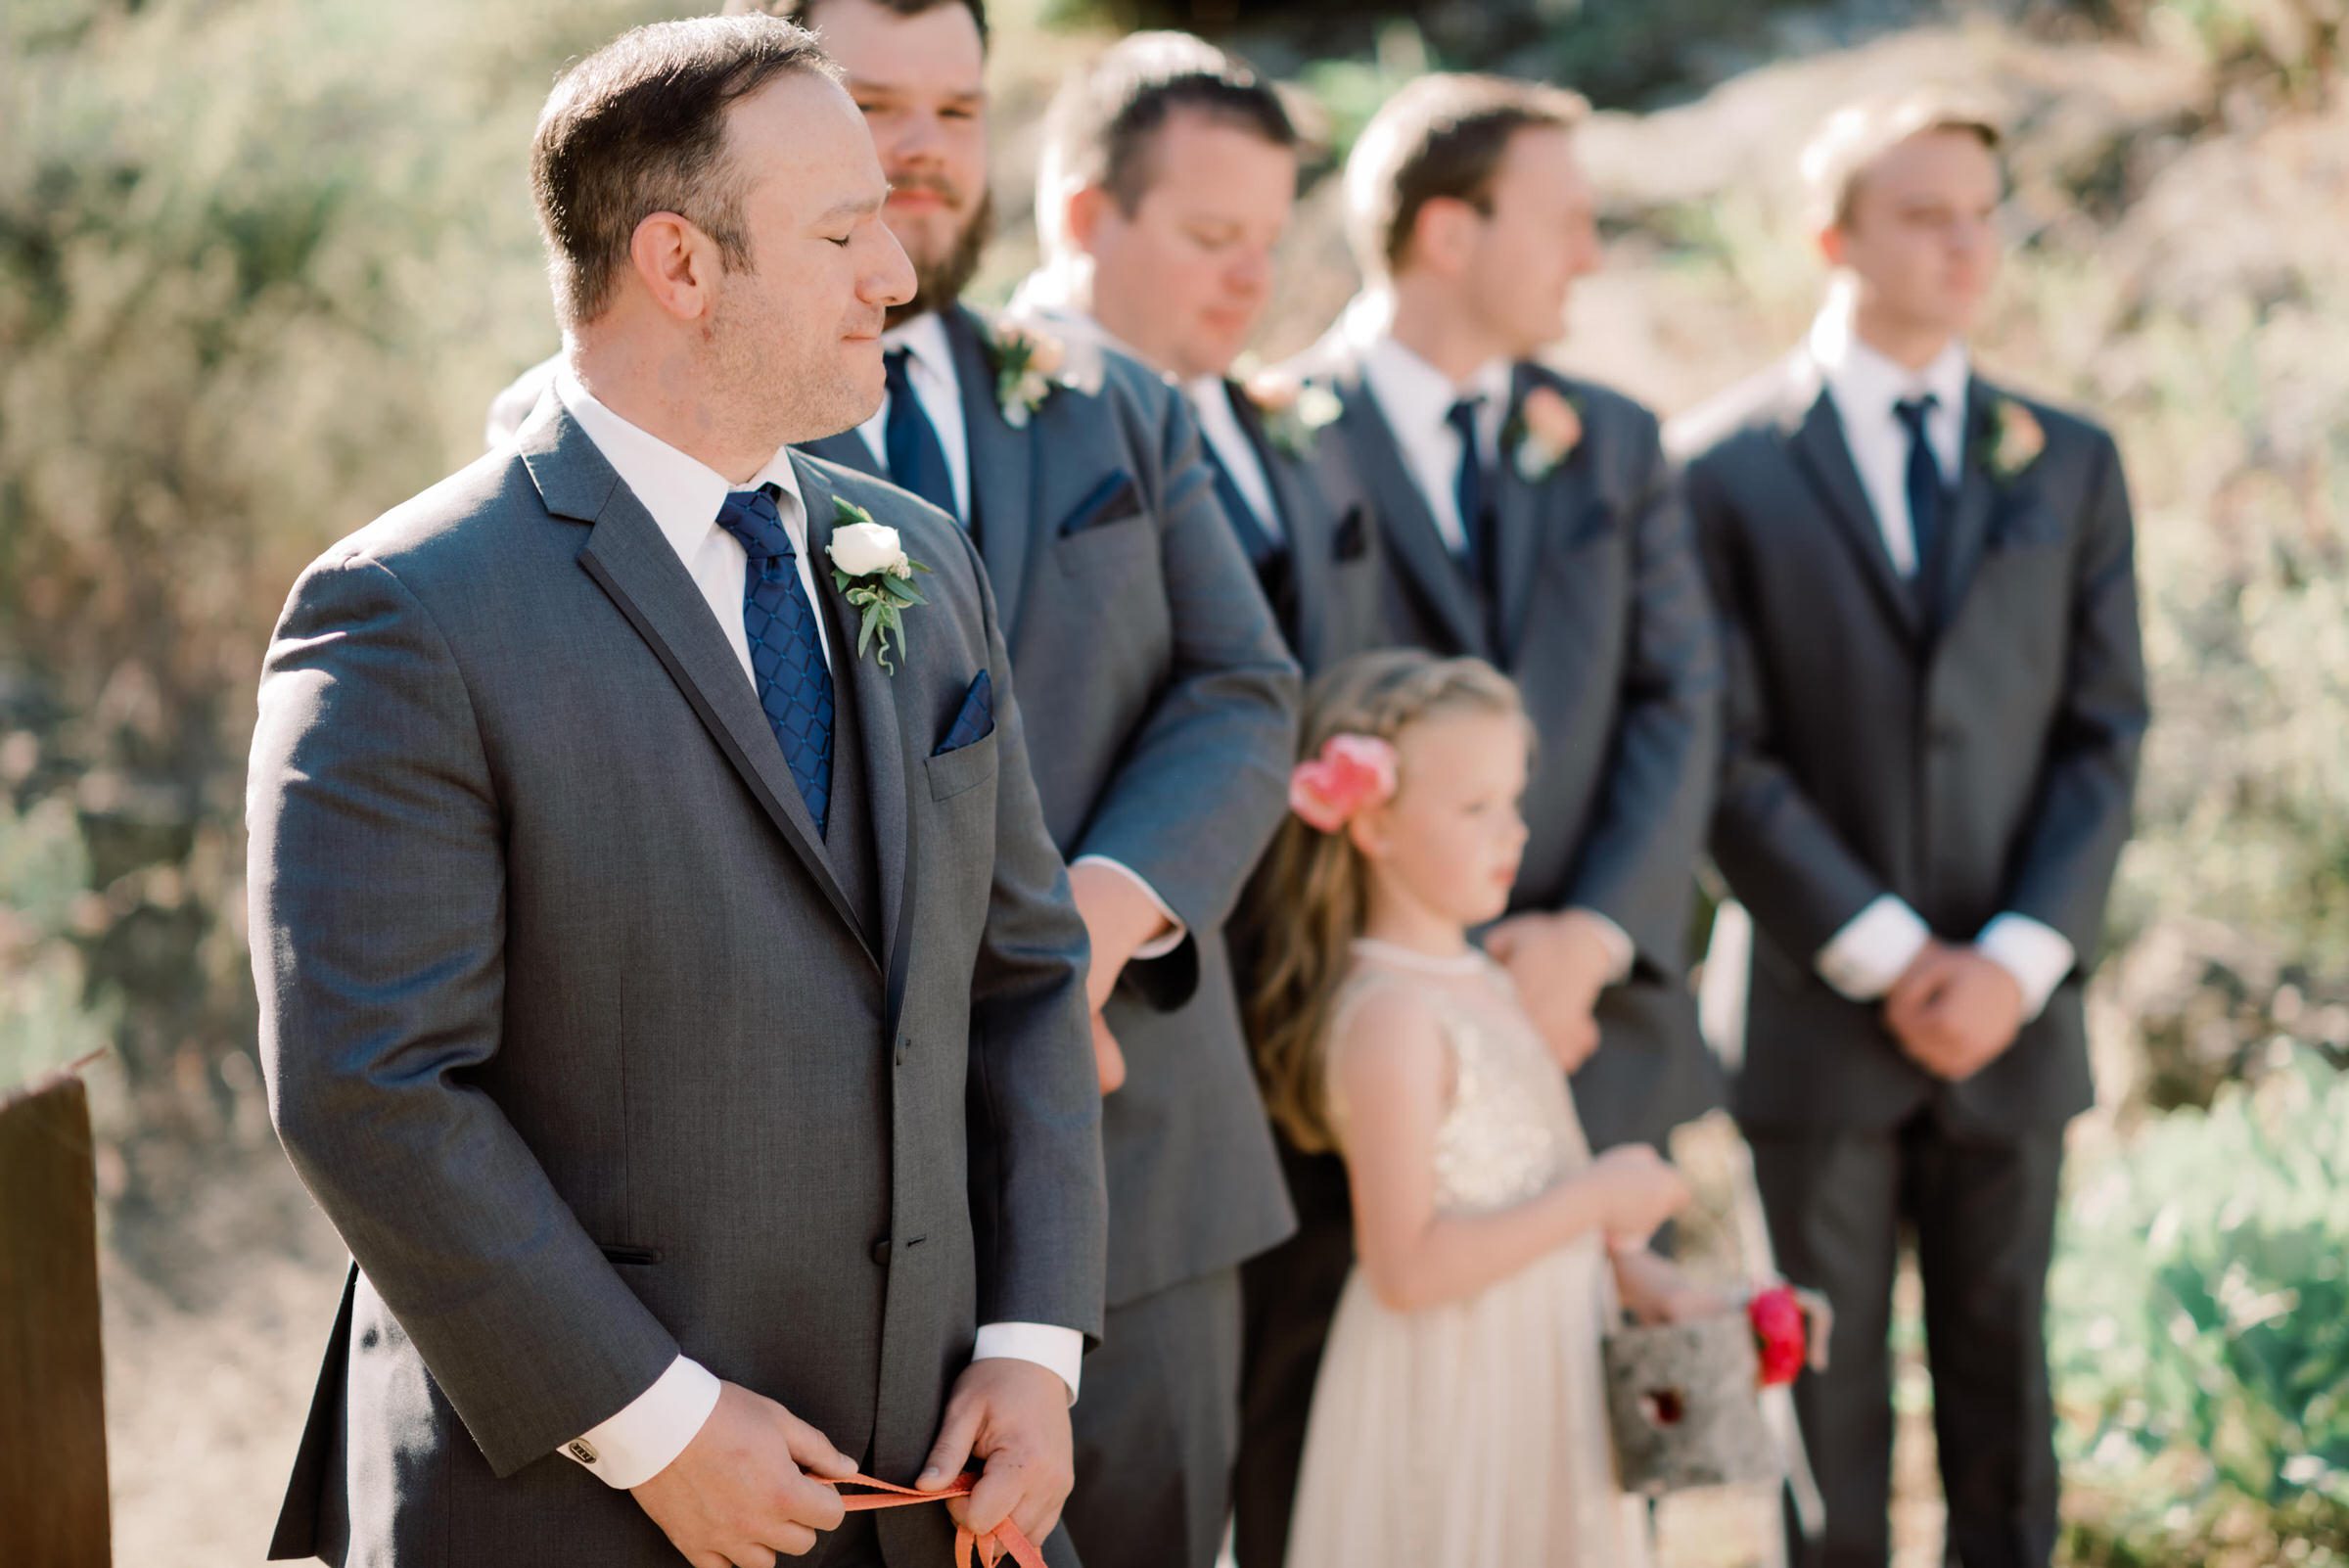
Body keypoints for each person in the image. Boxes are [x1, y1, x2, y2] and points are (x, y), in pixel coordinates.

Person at [248, 18, 1105, 1566]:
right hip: (574, 1506)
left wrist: (1035, 1346)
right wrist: (653, 1422)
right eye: (843, 232)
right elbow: (370, 1086)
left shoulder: (920, 555)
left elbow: (1025, 973)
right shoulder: (404, 611)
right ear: (681, 264)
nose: (898, 277)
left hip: (932, 1494)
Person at [737, 5, 1300, 1566]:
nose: (920, 147)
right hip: (823, 1211)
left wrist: (1095, 934)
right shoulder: (687, 415)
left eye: (960, 110)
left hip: (1150, 1171)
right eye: (868, 103)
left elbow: (1242, 685)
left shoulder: (1105, 392)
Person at [1233, 73, 1725, 1568]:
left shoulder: (1621, 442)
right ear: (1447, 231)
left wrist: (1590, 934)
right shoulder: (1269, 432)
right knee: (1339, 1453)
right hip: (1360, 1046)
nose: (1588, 254)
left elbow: (1677, 703)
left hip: (1587, 1029)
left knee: (1597, 1454)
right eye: (1564, 220)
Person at [1670, 89, 2148, 1568]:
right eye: (1924, 214)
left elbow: (2103, 732)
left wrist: (2012, 958)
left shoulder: (2066, 460)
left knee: (2008, 1395)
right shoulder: (1720, 467)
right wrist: (1884, 951)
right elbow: (1718, 747)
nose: (1965, 243)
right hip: (1818, 1014)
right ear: (1834, 237)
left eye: (1981, 214)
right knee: (1827, 1416)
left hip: (2017, 1015)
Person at [1233, 650, 1717, 1568]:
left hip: (1545, 1376)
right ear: (1371, 822)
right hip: (1454, 1395)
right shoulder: (1391, 1017)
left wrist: (1672, 1290)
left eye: (1514, 802)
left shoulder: (1489, 979)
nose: (1514, 833)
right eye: (1474, 809)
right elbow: (1405, 1266)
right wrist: (1600, 1195)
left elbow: (1543, 1194)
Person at [1012, 30, 1383, 677]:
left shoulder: (1268, 411)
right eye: (1214, 237)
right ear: (1088, 220)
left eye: (1269, 243)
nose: (1254, 279)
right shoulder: (988, 422)